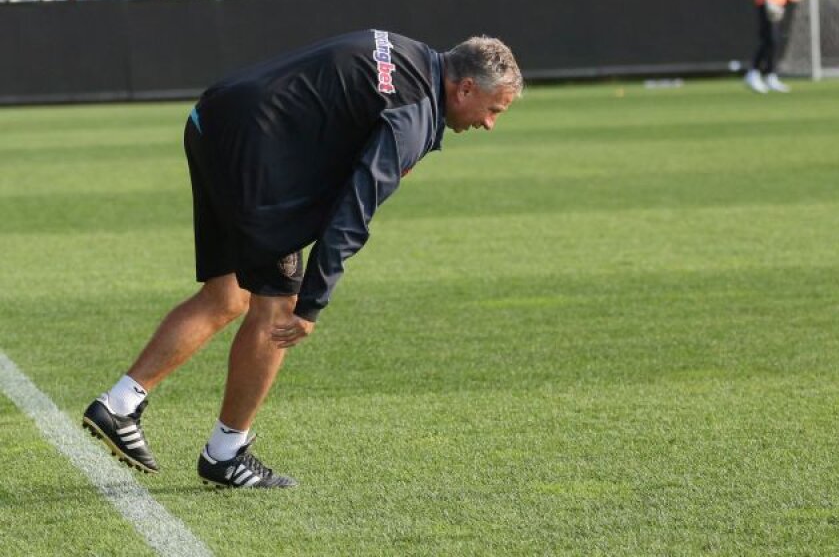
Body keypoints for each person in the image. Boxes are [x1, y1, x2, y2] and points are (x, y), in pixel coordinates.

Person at [82, 31, 522, 489]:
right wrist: (312, 303)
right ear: (465, 88)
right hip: (255, 154)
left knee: (226, 295)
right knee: (279, 313)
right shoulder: (413, 112)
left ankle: (120, 404)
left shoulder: (405, 51)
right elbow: (354, 212)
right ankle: (224, 454)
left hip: (212, 120)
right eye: (493, 110)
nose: (490, 124)